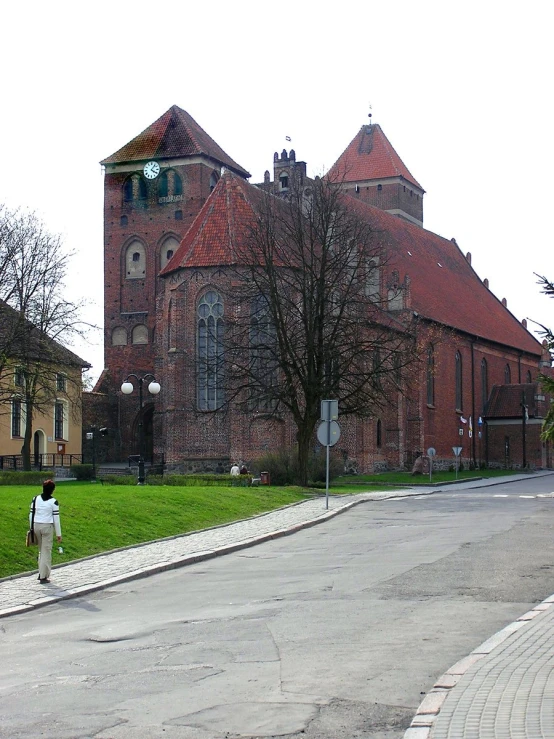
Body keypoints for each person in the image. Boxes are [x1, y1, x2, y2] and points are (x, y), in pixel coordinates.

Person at [29, 479, 62, 583]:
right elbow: (56, 520)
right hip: (47, 527)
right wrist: (58, 534)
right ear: (53, 490)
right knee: (46, 551)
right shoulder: (54, 502)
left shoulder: (35, 499)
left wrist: (31, 528)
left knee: (41, 550)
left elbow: (31, 514)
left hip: (36, 525)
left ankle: (41, 572)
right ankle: (43, 576)